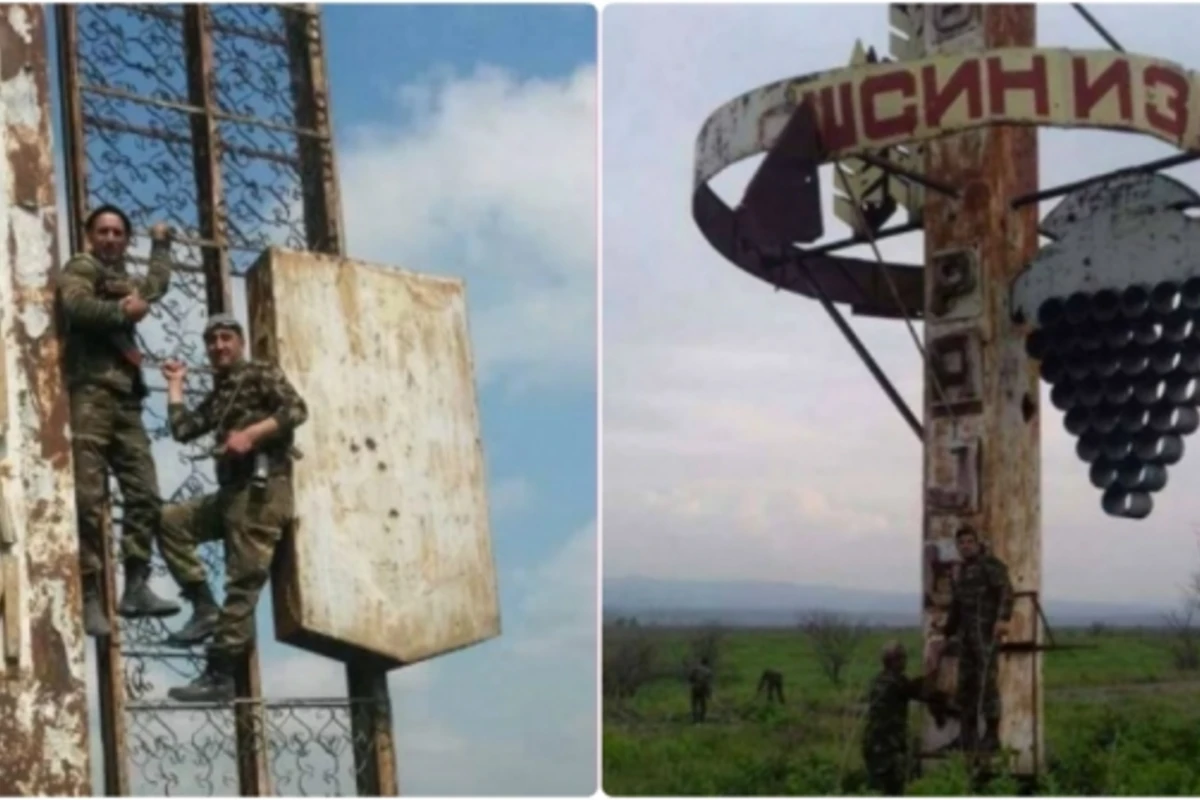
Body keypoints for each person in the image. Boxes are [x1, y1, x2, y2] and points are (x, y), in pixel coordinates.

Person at [157, 313, 308, 703]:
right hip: (230, 494)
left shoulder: (258, 373)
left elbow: (296, 410)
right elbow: (185, 429)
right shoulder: (223, 392)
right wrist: (175, 386)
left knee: (242, 585)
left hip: (261, 491)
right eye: (212, 341)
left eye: (226, 338)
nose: (219, 346)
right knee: (170, 522)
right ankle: (204, 607)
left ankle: (220, 674)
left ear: (239, 341)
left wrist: (251, 435)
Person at [57, 204, 180, 637]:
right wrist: (121, 314)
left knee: (145, 493)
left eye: (118, 233)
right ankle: (90, 593)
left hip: (125, 398)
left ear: (126, 240)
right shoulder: (81, 266)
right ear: (91, 235)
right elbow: (75, 308)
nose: (110, 238)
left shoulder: (122, 278)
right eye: (103, 231)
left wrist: (161, 244)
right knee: (89, 500)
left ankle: (136, 586)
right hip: (91, 392)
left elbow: (155, 286)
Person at [939, 525, 1014, 753]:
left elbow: (1006, 592)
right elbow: (957, 607)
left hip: (985, 636)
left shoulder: (990, 565)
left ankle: (991, 737)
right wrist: (946, 632)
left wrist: (1002, 619)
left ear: (977, 543)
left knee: (987, 685)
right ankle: (967, 737)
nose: (966, 546)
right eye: (961, 543)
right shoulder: (961, 572)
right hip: (967, 639)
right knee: (966, 687)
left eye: (969, 541)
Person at [861, 641, 941, 795]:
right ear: (894, 661)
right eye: (902, 658)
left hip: (872, 744)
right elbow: (921, 692)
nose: (905, 662)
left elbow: (911, 687)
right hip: (888, 747)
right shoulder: (896, 682)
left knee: (876, 789)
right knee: (894, 789)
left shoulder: (878, 680)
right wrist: (935, 669)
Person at [689, 657, 713, 723]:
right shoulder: (708, 671)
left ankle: (694, 719)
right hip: (702, 689)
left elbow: (690, 679)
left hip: (695, 688)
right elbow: (707, 683)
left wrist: (694, 683)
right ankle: (702, 719)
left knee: (694, 704)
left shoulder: (695, 669)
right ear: (707, 663)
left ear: (701, 662)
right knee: (703, 704)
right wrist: (709, 693)